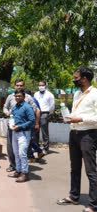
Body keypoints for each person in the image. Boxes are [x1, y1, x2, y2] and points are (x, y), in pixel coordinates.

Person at [57, 67, 97, 212]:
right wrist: (69, 118)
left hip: (88, 135)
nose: (74, 80)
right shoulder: (77, 94)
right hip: (73, 133)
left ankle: (93, 205)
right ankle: (74, 196)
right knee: (74, 168)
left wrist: (80, 118)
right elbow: (75, 112)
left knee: (91, 171)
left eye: (76, 78)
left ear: (84, 78)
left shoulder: (95, 94)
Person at [3, 79, 37, 172]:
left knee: (22, 151)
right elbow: (5, 107)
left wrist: (27, 119)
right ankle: (14, 166)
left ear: (23, 86)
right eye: (17, 85)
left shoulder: (28, 99)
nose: (19, 87)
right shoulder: (10, 97)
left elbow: (34, 111)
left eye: (21, 85)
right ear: (14, 86)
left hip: (23, 129)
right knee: (12, 148)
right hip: (12, 127)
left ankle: (23, 170)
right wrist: (7, 113)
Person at [8, 89, 35, 182]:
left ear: (23, 97)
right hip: (14, 132)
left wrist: (20, 126)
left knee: (22, 153)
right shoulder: (15, 107)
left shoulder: (27, 107)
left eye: (19, 96)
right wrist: (10, 124)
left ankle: (25, 173)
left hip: (24, 132)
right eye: (16, 96)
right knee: (16, 153)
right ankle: (18, 171)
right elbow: (12, 117)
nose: (17, 97)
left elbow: (32, 121)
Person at [24, 89, 45, 162]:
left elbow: (38, 111)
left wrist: (36, 123)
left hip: (32, 122)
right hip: (32, 122)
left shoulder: (31, 100)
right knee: (29, 139)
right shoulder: (34, 99)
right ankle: (38, 152)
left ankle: (32, 155)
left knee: (28, 139)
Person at [34, 81, 55, 154]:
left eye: (42, 85)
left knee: (44, 131)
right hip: (37, 113)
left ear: (45, 86)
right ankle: (36, 147)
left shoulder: (50, 95)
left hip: (44, 113)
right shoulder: (36, 94)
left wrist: (48, 112)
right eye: (39, 85)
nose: (41, 87)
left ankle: (46, 148)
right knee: (36, 130)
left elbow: (52, 106)